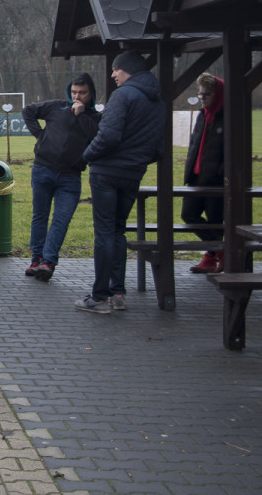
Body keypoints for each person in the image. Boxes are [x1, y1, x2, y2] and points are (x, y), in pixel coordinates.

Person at [76, 50, 168, 314]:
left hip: (106, 173)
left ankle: (99, 297)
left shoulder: (123, 95)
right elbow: (158, 148)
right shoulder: (158, 102)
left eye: (115, 70)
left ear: (126, 69)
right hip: (133, 173)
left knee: (104, 233)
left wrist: (86, 157)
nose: (113, 74)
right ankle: (118, 292)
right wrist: (135, 161)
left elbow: (108, 136)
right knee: (118, 231)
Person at [21, 73, 101, 282]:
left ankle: (48, 262)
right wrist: (40, 135)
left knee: (61, 219)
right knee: (40, 216)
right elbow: (28, 110)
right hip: (43, 169)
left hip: (71, 176)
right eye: (74, 92)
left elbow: (96, 136)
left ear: (90, 94)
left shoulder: (95, 117)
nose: (77, 96)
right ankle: (36, 258)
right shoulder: (56, 106)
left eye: (82, 93)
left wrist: (81, 115)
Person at [184, 72, 226, 274]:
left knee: (215, 219)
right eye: (200, 95)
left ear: (217, 95)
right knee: (188, 214)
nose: (202, 98)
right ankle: (220, 250)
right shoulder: (202, 115)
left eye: (206, 95)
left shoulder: (227, 117)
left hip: (216, 180)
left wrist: (221, 172)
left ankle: (213, 256)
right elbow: (194, 145)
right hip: (197, 176)